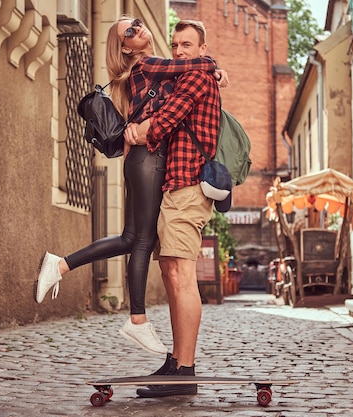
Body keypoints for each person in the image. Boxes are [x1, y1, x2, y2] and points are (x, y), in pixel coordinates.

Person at [35, 16, 226, 356]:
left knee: (131, 238)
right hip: (149, 159)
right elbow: (199, 66)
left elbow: (191, 75)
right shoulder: (150, 63)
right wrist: (214, 68)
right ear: (125, 47)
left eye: (137, 24)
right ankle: (137, 320)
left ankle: (60, 265)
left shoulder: (150, 68)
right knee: (141, 239)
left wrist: (217, 74)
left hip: (143, 160)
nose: (138, 29)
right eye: (129, 31)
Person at [124, 20, 224, 398]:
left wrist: (139, 129)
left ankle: (185, 370)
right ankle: (177, 361)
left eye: (187, 45)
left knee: (181, 275)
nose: (180, 51)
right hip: (176, 188)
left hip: (188, 188)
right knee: (171, 272)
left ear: (201, 48)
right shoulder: (192, 74)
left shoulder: (197, 80)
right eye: (176, 44)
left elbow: (164, 122)